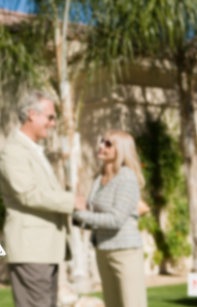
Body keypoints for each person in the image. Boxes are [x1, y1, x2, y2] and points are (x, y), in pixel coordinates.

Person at [0, 91, 84, 307]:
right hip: (31, 250)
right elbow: (27, 193)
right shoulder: (14, 151)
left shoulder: (34, 150)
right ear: (32, 115)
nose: (53, 123)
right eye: (50, 116)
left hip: (43, 249)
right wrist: (71, 201)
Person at [73, 130, 147, 307]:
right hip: (103, 250)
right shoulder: (99, 178)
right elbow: (92, 213)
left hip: (125, 253)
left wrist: (80, 214)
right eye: (101, 141)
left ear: (121, 150)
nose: (100, 146)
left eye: (108, 144)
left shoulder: (127, 177)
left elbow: (116, 220)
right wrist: (78, 214)